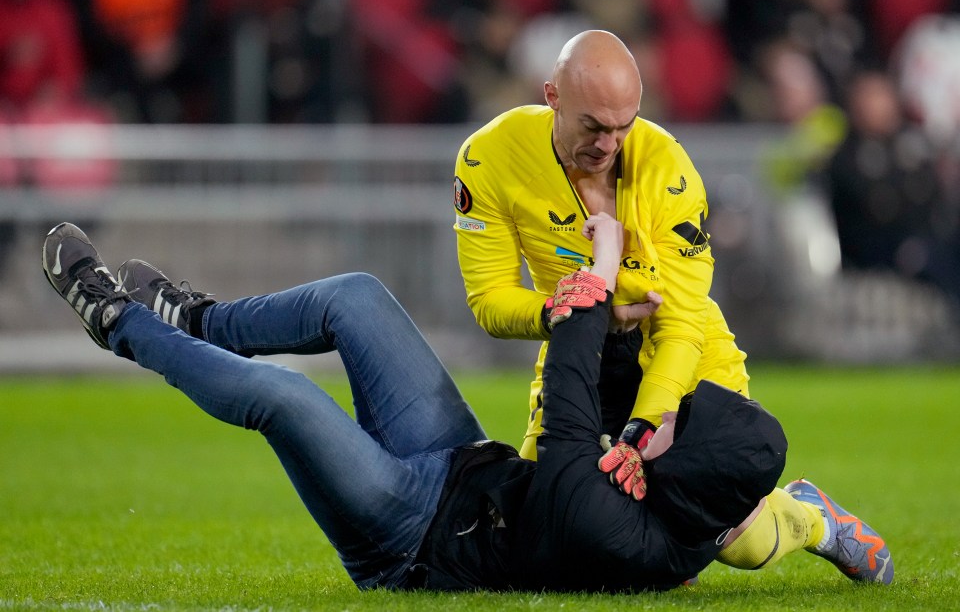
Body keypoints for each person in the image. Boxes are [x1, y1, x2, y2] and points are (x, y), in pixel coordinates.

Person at [41, 219, 891, 590]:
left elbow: (565, 394)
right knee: (358, 297)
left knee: (286, 399)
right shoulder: (675, 488)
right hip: (461, 462)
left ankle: (115, 322)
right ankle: (194, 319)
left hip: (409, 543)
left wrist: (600, 262)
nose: (666, 415)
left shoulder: (622, 533)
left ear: (669, 474)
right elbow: (637, 409)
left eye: (678, 425)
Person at [452, 29, 887, 578]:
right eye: (592, 126)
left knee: (734, 544)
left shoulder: (670, 171)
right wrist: (569, 311)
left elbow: (682, 323)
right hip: (582, 351)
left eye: (623, 126)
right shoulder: (489, 158)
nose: (608, 144)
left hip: (680, 357)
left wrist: (641, 429)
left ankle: (810, 519)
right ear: (552, 97)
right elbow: (489, 300)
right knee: (556, 525)